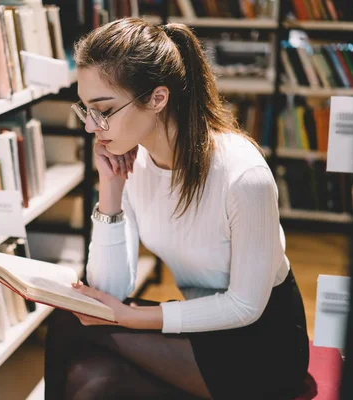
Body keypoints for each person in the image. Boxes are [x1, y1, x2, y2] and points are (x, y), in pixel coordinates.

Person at [44, 17, 310, 400]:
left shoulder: (242, 173)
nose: (91, 127)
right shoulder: (135, 164)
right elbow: (109, 290)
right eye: (85, 110)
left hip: (261, 345)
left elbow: (245, 306)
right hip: (199, 324)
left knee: (72, 331)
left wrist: (132, 317)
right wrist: (111, 189)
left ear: (157, 98)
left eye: (102, 110)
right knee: (89, 377)